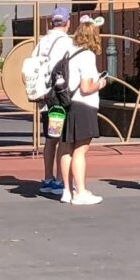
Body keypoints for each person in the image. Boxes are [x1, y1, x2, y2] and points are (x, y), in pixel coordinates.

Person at [23, 6, 74, 199]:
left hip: (45, 98)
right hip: (59, 97)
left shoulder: (42, 42)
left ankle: (47, 178)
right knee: (62, 139)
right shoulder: (68, 43)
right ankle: (60, 181)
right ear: (68, 22)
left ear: (51, 22)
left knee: (50, 138)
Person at [58, 16, 106, 206]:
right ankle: (81, 191)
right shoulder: (87, 55)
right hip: (83, 105)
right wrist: (100, 83)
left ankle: (67, 191)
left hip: (67, 104)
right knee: (81, 149)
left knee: (66, 147)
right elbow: (86, 88)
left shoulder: (69, 53)